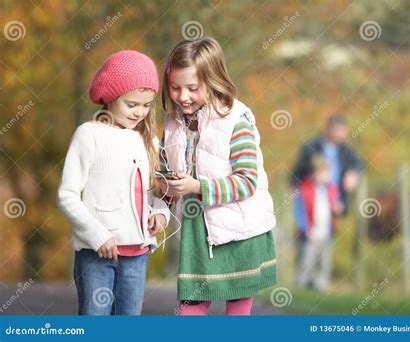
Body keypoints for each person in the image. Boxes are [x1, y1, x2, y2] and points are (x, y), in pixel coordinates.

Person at [159, 37, 277, 316]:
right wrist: (163, 194)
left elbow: (248, 180)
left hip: (238, 232)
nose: (182, 96)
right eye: (175, 87)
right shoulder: (172, 123)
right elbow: (165, 169)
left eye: (192, 88)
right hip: (197, 231)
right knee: (190, 308)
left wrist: (197, 186)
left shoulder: (236, 121)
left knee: (236, 313)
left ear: (212, 81)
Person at [57, 50, 170, 315]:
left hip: (138, 254)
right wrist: (97, 235)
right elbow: (67, 195)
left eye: (146, 105)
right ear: (109, 97)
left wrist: (162, 213)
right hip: (96, 253)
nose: (140, 112)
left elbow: (158, 189)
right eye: (131, 105)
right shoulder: (89, 135)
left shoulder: (149, 140)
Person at [290, 116, 364, 215]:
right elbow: (298, 170)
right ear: (328, 130)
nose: (341, 134)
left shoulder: (346, 149)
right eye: (338, 130)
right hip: (314, 198)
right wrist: (295, 190)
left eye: (343, 131)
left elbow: (359, 163)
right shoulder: (312, 146)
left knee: (330, 227)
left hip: (336, 200)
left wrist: (353, 173)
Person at [294, 156, 343, 290]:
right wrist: (305, 228)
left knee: (324, 262)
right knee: (306, 261)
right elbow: (299, 211)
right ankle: (301, 285)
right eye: (323, 173)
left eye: (327, 173)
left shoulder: (331, 189)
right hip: (310, 232)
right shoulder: (305, 189)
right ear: (314, 173)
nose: (326, 176)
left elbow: (335, 205)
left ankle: (320, 286)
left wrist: (338, 208)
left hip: (326, 232)